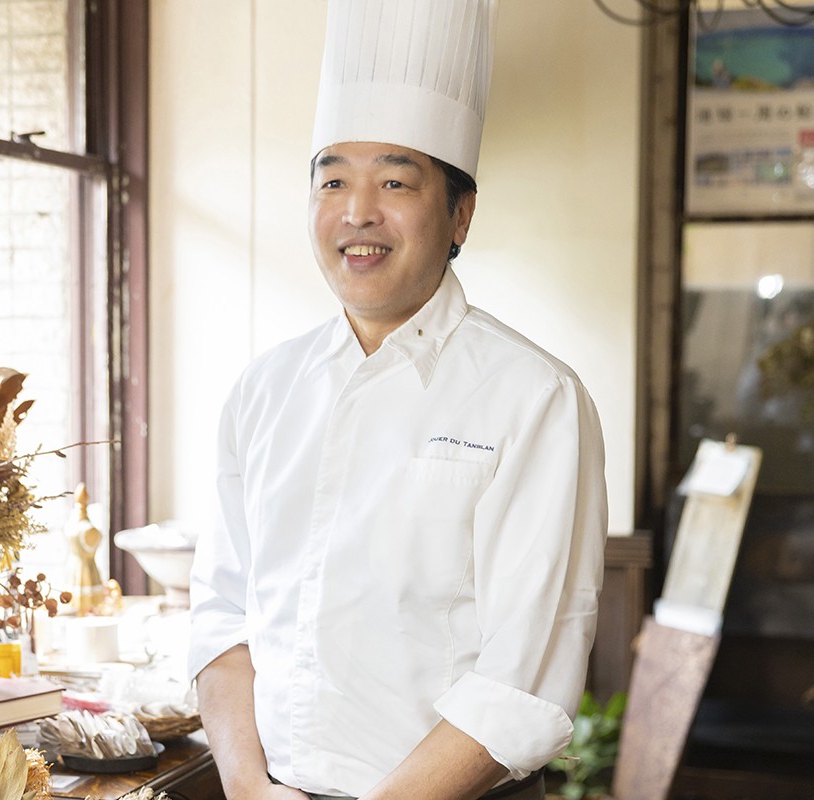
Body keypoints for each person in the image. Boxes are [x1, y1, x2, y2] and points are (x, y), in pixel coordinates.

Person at [187, 2, 609, 799]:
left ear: (459, 215)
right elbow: (222, 614)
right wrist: (247, 786)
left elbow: (522, 677)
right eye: (333, 180)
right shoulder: (263, 391)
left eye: (394, 181)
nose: (357, 212)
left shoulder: (536, 398)